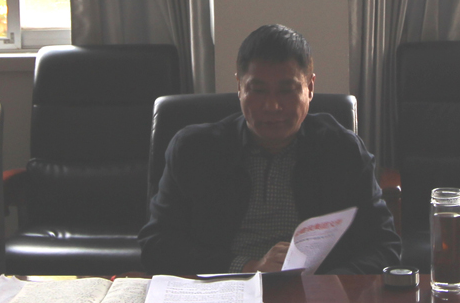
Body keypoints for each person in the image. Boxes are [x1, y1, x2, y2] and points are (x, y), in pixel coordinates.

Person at [139, 24, 401, 275]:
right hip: (226, 291)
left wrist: (329, 286)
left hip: (314, 296)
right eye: (258, 90)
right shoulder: (194, 150)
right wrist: (247, 267)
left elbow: (384, 248)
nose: (272, 106)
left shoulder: (341, 151)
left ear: (310, 88)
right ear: (239, 87)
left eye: (287, 91)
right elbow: (156, 246)